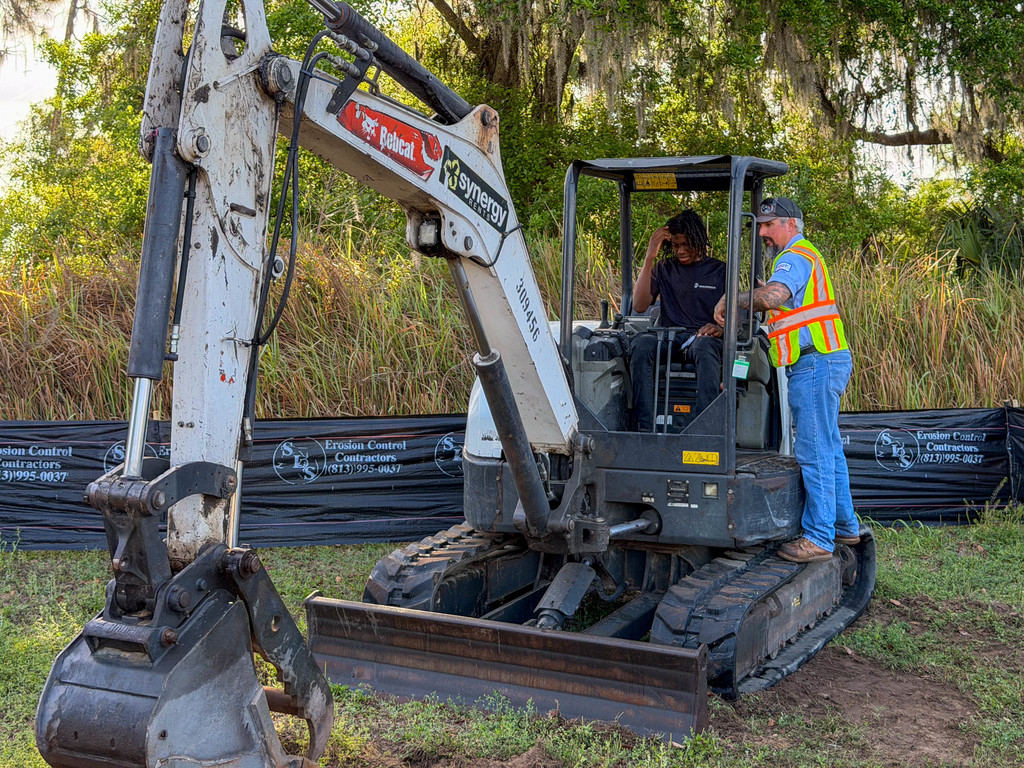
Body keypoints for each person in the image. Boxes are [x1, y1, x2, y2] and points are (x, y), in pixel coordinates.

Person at [713, 197, 859, 563]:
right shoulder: (800, 257)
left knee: (814, 451)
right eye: (759, 225)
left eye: (769, 224)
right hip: (821, 361)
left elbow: (777, 295)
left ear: (791, 223)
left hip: (814, 364)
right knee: (828, 448)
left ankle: (819, 539)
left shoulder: (794, 256)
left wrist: (736, 299)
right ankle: (844, 525)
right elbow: (787, 308)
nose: (762, 232)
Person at [630, 210, 725, 432]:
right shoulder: (664, 268)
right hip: (669, 337)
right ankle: (644, 427)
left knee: (704, 346)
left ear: (699, 241)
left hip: (702, 338)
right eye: (675, 245)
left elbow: (735, 314)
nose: (680, 250)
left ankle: (706, 428)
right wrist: (649, 257)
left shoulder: (720, 270)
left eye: (686, 244)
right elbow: (640, 305)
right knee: (641, 345)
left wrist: (721, 328)